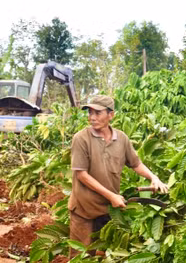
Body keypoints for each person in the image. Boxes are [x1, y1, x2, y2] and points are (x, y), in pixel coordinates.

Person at [67, 94, 169, 249]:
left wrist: (153, 177)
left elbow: (136, 164)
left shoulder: (121, 139)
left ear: (111, 115)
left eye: (97, 113)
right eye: (90, 113)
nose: (92, 117)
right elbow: (82, 175)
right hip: (84, 209)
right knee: (82, 256)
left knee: (105, 253)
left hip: (108, 209)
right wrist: (112, 196)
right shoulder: (81, 138)